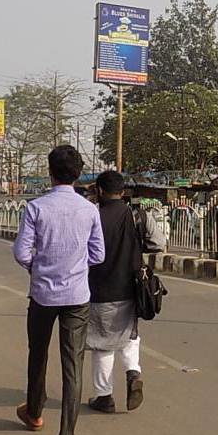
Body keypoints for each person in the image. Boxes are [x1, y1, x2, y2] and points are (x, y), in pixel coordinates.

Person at [13, 145, 104, 435]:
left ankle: (35, 413)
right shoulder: (89, 209)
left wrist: (39, 266)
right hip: (77, 296)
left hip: (42, 294)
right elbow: (98, 254)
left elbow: (22, 252)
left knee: (37, 355)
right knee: (73, 366)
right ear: (78, 174)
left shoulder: (36, 207)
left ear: (50, 171)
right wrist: (75, 266)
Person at [87, 171, 144, 414]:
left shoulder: (95, 216)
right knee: (129, 334)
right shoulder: (137, 214)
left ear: (99, 190)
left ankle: (104, 396)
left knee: (103, 344)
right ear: (123, 191)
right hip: (132, 287)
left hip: (101, 287)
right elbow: (157, 241)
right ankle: (133, 371)